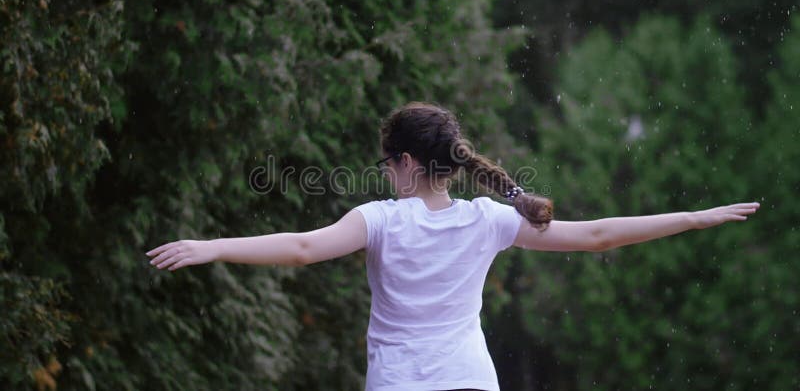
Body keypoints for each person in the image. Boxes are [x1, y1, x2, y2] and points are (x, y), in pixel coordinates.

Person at [146, 101, 760, 391]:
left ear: (407, 161)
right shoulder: (487, 219)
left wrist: (215, 244)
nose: (384, 171)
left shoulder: (380, 220)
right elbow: (597, 234)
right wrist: (693, 216)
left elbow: (306, 247)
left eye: (388, 161)